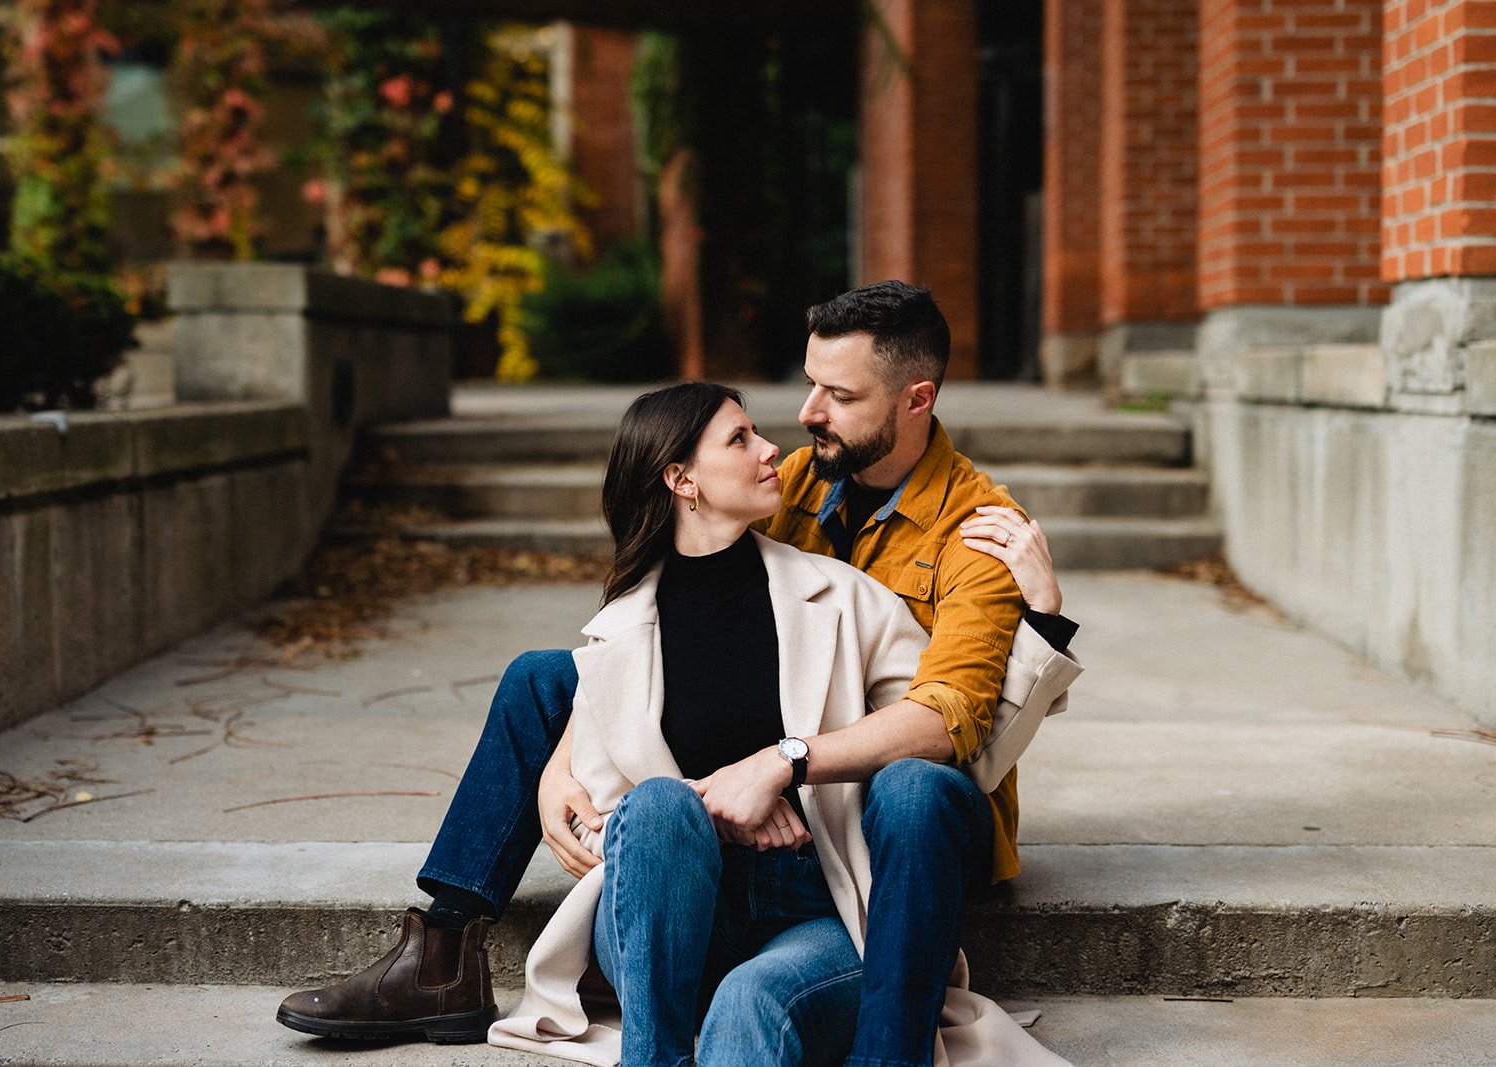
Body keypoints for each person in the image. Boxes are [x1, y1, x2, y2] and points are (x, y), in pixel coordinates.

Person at [277, 281, 1080, 1061]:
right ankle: (444, 948)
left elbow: (946, 719)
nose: (801, 419)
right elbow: (667, 618)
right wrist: (566, 763)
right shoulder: (794, 479)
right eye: (808, 387)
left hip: (889, 808)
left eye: (837, 394)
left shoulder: (978, 529)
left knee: (911, 790)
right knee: (540, 678)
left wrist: (778, 763)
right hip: (767, 774)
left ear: (916, 398)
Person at [488, 381, 1071, 1067]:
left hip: (817, 908)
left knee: (749, 1003)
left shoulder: (843, 598)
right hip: (679, 918)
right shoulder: (618, 631)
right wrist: (721, 804)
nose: (773, 449)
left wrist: (1045, 623)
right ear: (681, 479)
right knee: (657, 805)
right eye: (740, 440)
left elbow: (953, 748)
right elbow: (603, 821)